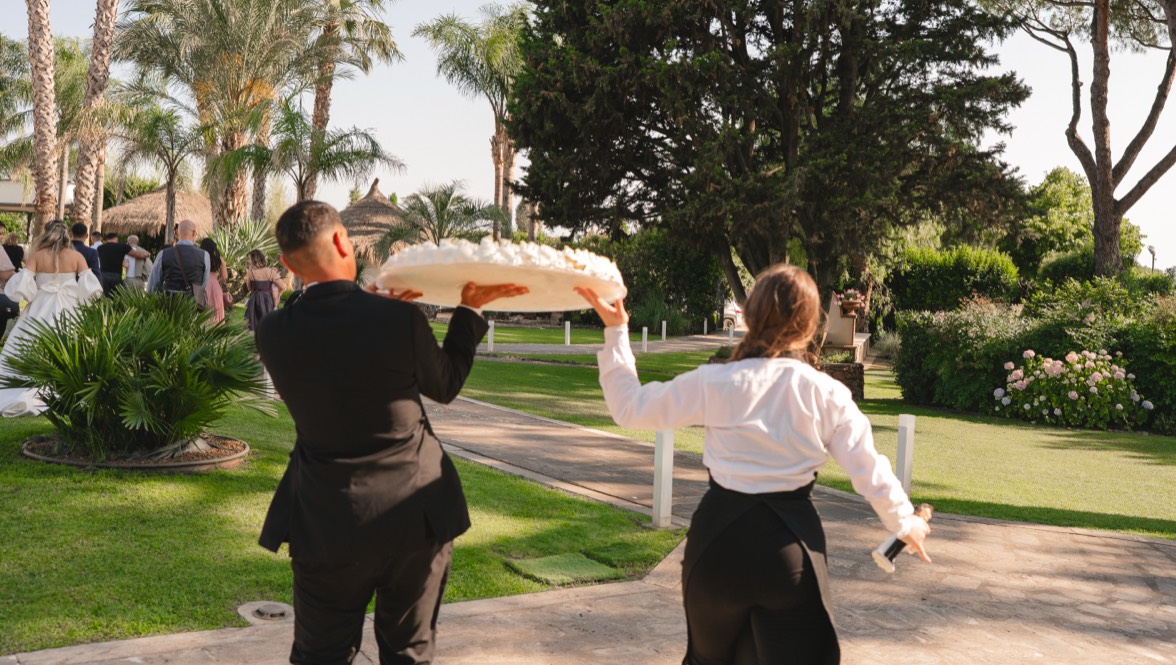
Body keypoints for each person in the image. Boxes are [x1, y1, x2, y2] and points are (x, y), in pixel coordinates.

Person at [576, 264, 932, 665]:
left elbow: (629, 407)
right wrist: (905, 522)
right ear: (809, 325)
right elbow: (868, 470)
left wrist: (616, 330)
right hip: (788, 550)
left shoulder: (716, 381)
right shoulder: (826, 393)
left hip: (717, 544)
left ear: (749, 316)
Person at [256, 200, 527, 664]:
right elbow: (445, 384)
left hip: (325, 520)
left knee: (319, 655)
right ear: (342, 240)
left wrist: (366, 302)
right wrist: (469, 309)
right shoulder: (399, 319)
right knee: (408, 653)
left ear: (287, 264)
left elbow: (331, 339)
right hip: (414, 515)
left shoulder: (273, 332)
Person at [0, 221, 103, 417]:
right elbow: (90, 287)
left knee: (31, 343)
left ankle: (29, 385)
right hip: (69, 309)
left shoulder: (37, 256)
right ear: (67, 235)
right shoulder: (76, 256)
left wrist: (33, 292)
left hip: (40, 307)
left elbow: (24, 283)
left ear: (46, 234)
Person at [147, 219, 210, 297]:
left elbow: (153, 285)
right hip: (193, 302)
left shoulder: (163, 254)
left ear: (177, 232)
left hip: (169, 302)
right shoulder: (204, 255)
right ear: (193, 233)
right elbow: (203, 284)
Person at [244, 249, 286, 330]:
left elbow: (249, 288)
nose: (248, 261)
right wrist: (278, 295)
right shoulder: (271, 272)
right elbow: (282, 286)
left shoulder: (250, 273)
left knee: (254, 324)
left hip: (255, 299)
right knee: (269, 324)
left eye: (249, 259)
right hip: (268, 299)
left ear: (255, 259)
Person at [96, 232, 148, 298]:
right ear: (117, 239)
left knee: (105, 297)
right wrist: (148, 254)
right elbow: (138, 255)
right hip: (117, 276)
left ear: (107, 239)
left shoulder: (100, 248)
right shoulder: (123, 247)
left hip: (104, 276)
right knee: (116, 297)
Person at [199, 236, 229, 323]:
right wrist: (218, 281)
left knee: (205, 309)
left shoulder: (200, 258)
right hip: (215, 286)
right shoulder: (219, 259)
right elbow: (225, 276)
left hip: (203, 284)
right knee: (217, 308)